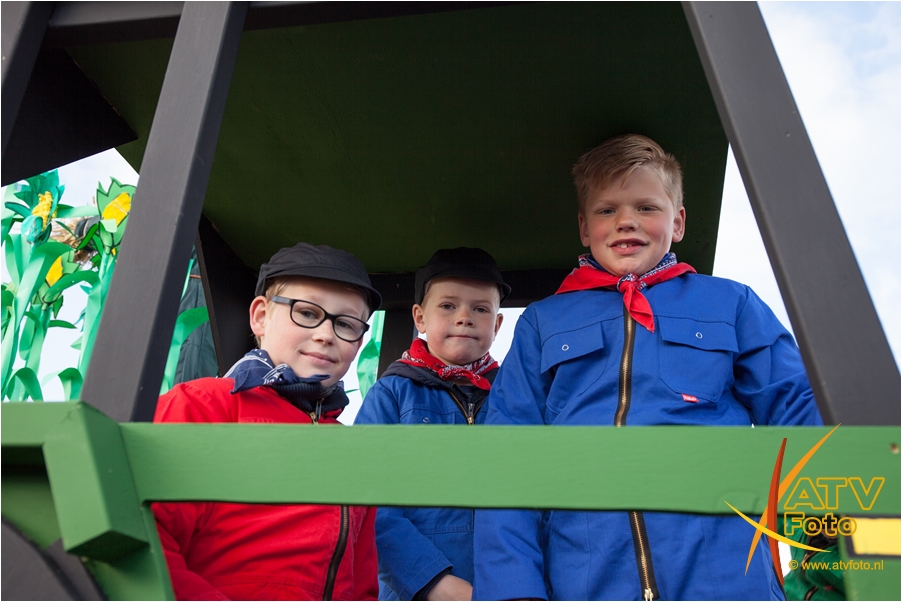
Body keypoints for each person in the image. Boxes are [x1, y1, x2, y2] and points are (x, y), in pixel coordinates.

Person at [472, 135, 823, 601]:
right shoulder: (544, 321)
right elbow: (507, 455)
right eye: (606, 210)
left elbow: (796, 404)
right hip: (587, 576)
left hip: (726, 575)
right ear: (584, 227)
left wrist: (840, 519)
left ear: (677, 222)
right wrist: (514, 591)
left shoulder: (730, 302)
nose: (626, 221)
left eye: (646, 207)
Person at [152, 243, 382, 601]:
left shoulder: (351, 451)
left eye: (345, 324)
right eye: (307, 313)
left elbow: (363, 586)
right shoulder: (203, 405)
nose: (326, 334)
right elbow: (149, 539)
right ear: (260, 317)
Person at [355, 248, 510, 601]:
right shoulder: (392, 394)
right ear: (420, 317)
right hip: (414, 589)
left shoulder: (513, 397)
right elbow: (369, 503)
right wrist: (432, 581)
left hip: (502, 585)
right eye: (448, 306)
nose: (464, 318)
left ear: (497, 324)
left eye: (481, 309)